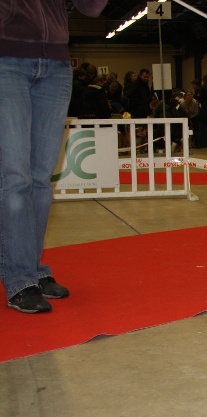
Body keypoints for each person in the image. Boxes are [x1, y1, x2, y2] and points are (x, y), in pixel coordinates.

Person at [0, 0, 108, 313]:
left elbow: (91, 7)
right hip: (6, 57)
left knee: (39, 180)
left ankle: (30, 270)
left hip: (56, 63)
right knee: (14, 177)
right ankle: (20, 277)